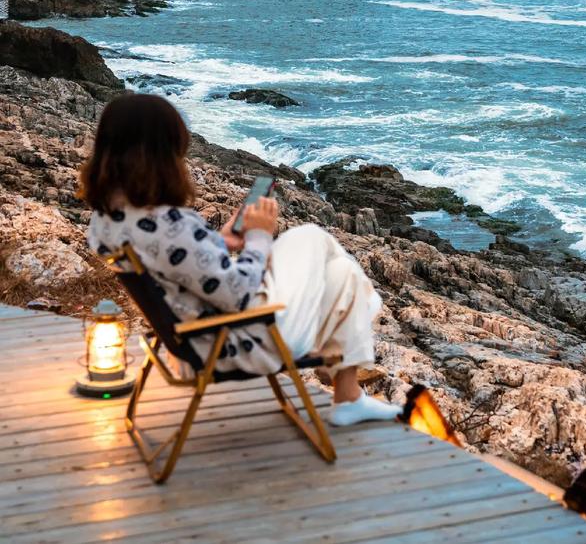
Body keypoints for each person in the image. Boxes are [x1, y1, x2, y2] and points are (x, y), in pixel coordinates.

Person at [81, 92, 399, 427]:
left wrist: (223, 241)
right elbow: (240, 293)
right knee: (318, 243)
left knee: (340, 271)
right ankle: (351, 356)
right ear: (161, 153)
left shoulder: (110, 217)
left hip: (194, 339)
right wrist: (259, 235)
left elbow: (175, 263)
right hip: (236, 344)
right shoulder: (169, 225)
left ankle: (349, 396)